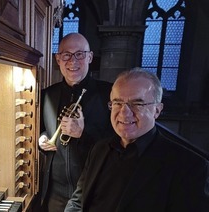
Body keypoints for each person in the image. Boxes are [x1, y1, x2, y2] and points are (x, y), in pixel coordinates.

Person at [64, 68, 209, 212]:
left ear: (157, 110)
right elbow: (77, 203)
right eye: (117, 103)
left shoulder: (190, 166)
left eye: (137, 104)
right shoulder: (99, 149)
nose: (124, 113)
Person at [38, 33, 114, 212]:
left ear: (90, 57)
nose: (73, 61)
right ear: (58, 59)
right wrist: (41, 140)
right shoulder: (47, 94)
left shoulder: (109, 93)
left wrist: (83, 134)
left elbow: (119, 143)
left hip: (95, 191)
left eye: (79, 54)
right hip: (55, 193)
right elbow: (41, 130)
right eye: (66, 55)